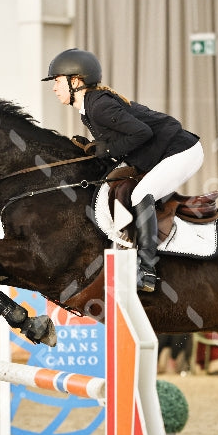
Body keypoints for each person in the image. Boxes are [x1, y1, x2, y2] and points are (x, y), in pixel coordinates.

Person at [42, 48, 204, 292]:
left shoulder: (98, 107)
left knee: (141, 195)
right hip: (160, 152)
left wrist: (104, 150)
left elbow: (142, 133)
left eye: (57, 81)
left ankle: (147, 270)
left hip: (181, 152)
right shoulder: (90, 107)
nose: (54, 88)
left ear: (75, 81)